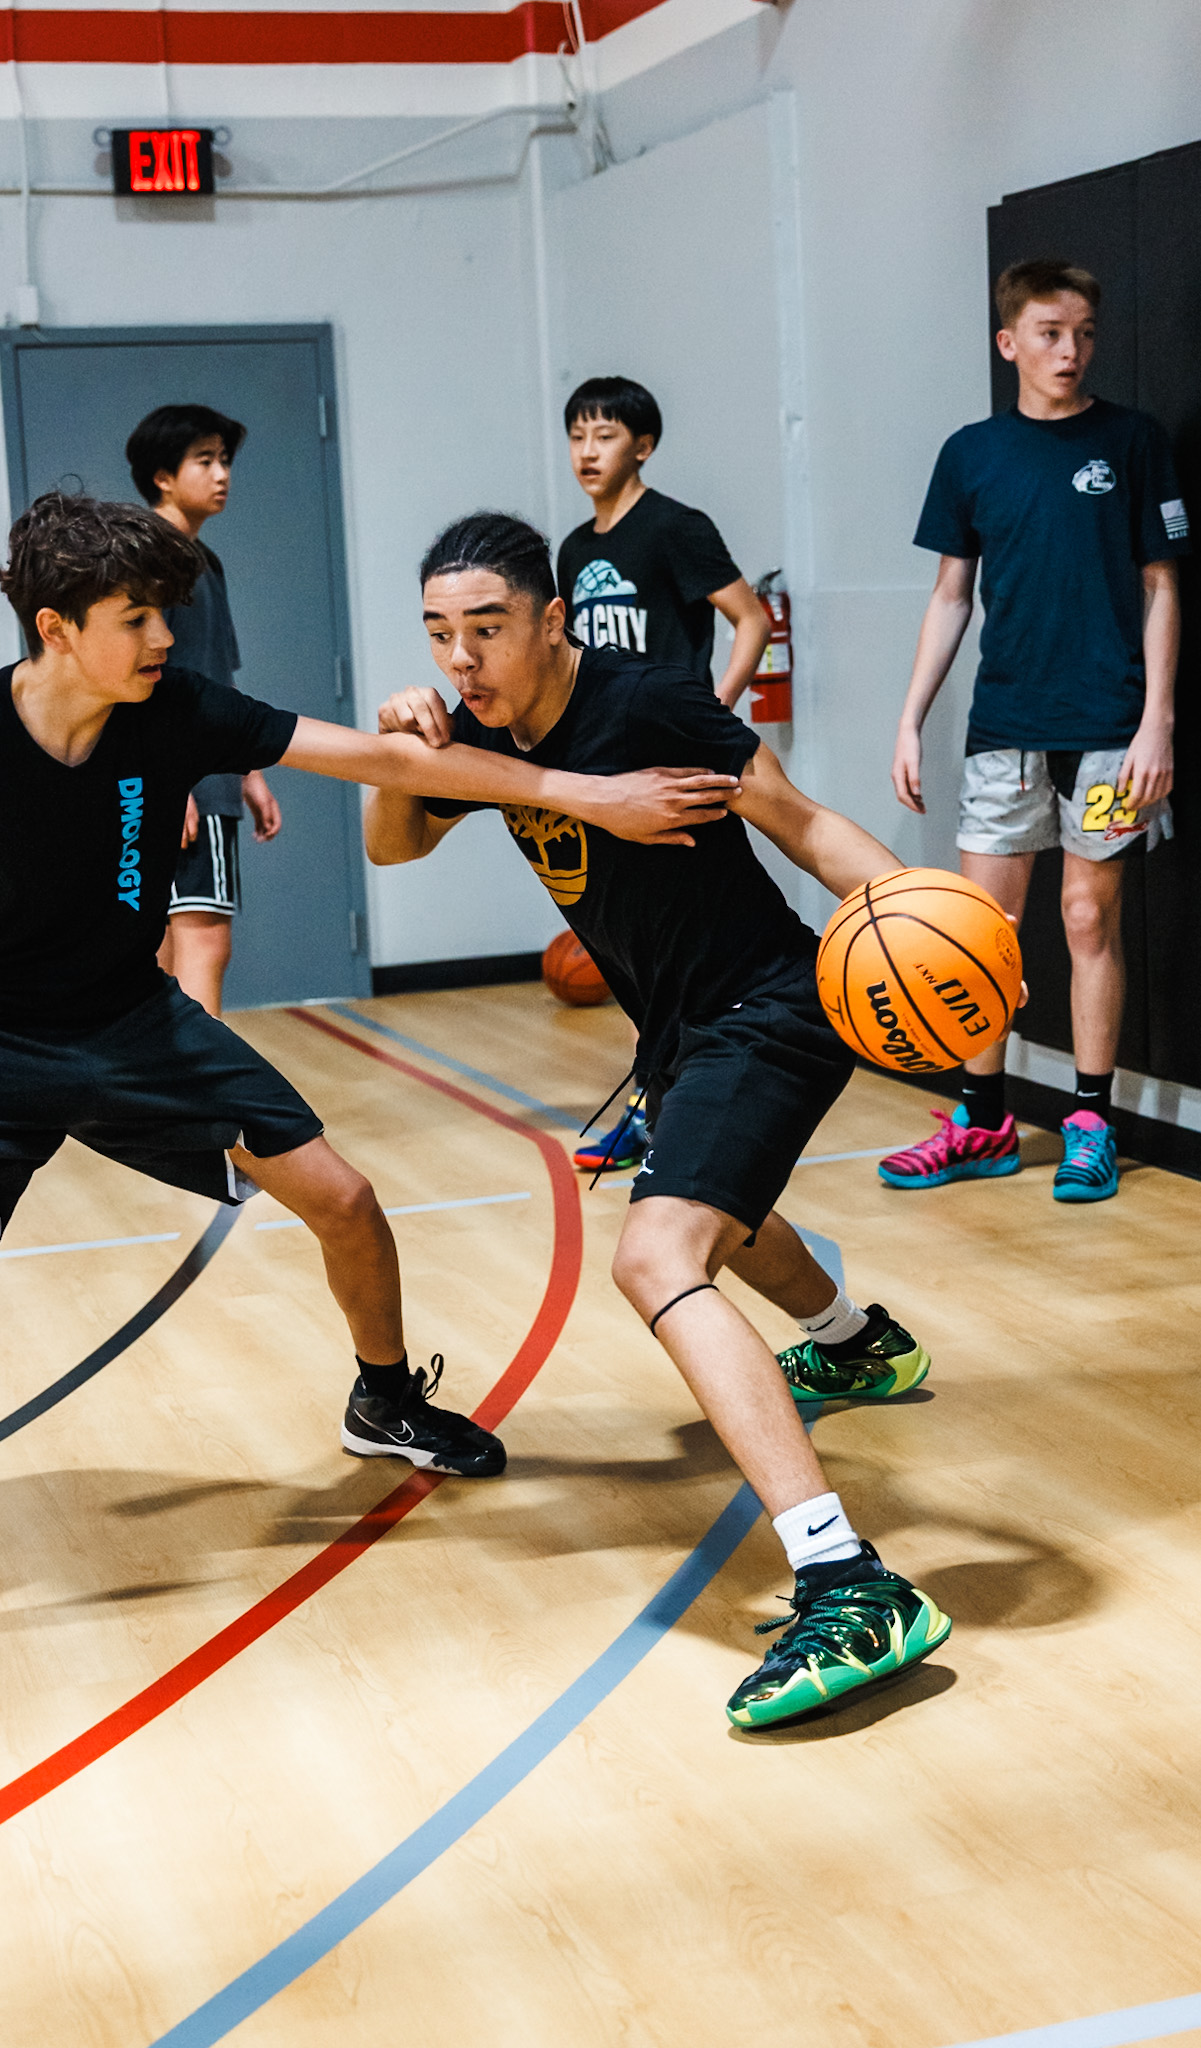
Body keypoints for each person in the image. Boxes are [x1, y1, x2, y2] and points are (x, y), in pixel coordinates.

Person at [0, 492, 729, 1663]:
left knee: (345, 1197)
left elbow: (361, 756)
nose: (163, 638)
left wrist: (580, 791)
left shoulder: (174, 708)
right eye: (136, 618)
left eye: (165, 614)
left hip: (124, 1018)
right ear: (56, 629)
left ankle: (385, 1397)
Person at [364, 511, 952, 1730]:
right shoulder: (476, 724)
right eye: (439, 634)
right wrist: (398, 749)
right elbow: (395, 846)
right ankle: (853, 1342)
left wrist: (929, 917)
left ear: (551, 620)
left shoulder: (651, 703)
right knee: (731, 1211)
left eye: (486, 629)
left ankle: (849, 1580)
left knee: (657, 1253)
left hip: (769, 1008)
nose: (463, 657)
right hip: (677, 1033)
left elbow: (799, 821)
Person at [883, 258, 1187, 1203]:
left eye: (1084, 333)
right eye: (1051, 333)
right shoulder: (970, 454)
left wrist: (1156, 722)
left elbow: (1161, 586)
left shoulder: (1131, 441)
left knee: (1087, 919)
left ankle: (1089, 1122)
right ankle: (982, 1123)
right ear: (1008, 341)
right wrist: (909, 719)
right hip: (1005, 731)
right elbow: (949, 597)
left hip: (1108, 732)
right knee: (986, 934)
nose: (1070, 350)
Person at [557, 376, 771, 1174]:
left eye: (604, 435)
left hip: (672, 767)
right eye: (576, 435)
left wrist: (711, 708)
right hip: (603, 776)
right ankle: (654, 1101)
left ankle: (682, 1110)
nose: (587, 451)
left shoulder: (676, 528)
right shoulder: (574, 550)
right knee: (630, 952)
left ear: (641, 446)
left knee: (684, 949)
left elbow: (749, 618)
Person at [126, 401, 278, 1015]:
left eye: (225, 460)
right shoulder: (149, 559)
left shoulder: (204, 561)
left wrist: (250, 771)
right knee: (204, 937)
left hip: (205, 778)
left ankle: (163, 1073)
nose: (222, 474)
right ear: (163, 476)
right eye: (205, 460)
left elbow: (219, 677)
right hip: (181, 781)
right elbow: (132, 680)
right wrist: (168, 780)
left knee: (164, 944)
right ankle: (203, 1073)